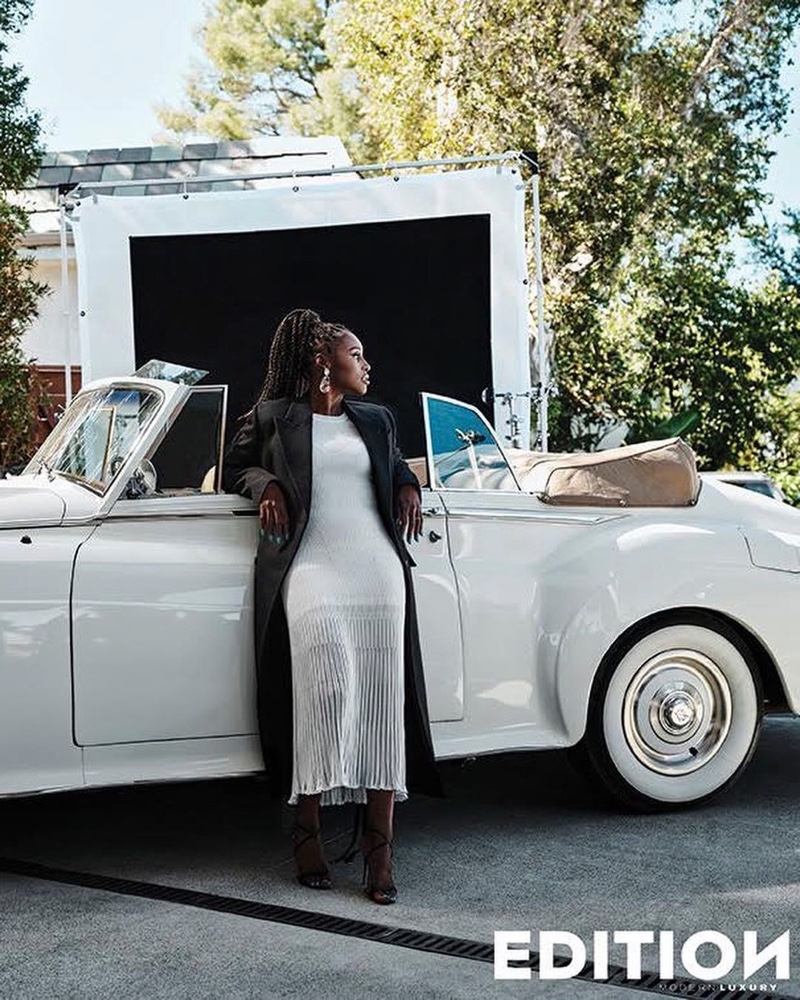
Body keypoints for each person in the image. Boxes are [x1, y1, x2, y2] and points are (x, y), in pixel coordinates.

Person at [223, 307, 442, 905]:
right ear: (325, 362)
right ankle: (308, 834)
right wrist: (265, 485)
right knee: (324, 695)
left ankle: (379, 852)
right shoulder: (273, 418)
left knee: (381, 700)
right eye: (356, 355)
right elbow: (232, 469)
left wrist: (407, 485)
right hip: (310, 567)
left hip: (377, 569)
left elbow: (394, 465)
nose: (367, 365)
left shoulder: (376, 418)